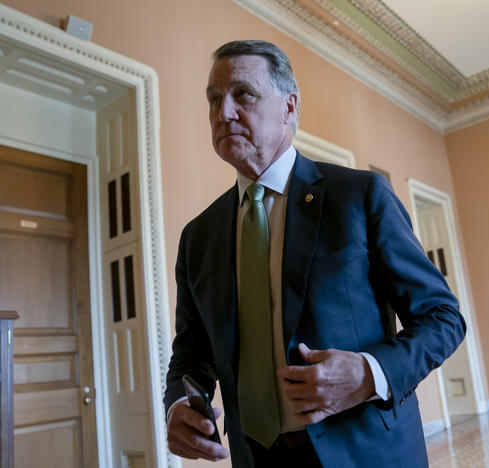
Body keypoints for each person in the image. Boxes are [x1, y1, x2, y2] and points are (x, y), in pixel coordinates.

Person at [163, 39, 466, 467]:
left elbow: (443, 318)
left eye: (242, 94)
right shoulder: (198, 236)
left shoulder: (359, 196)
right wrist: (178, 405)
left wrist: (369, 372)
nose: (223, 112)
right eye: (214, 99)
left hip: (365, 452)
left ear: (289, 107)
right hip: (256, 456)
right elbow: (191, 354)